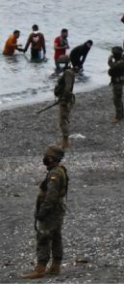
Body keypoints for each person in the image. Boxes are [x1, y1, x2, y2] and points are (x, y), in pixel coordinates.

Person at [20, 145, 69, 279]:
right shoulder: (60, 171)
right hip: (58, 210)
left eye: (47, 156)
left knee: (43, 238)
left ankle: (40, 269)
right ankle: (55, 267)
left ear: (53, 158)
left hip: (52, 212)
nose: (45, 158)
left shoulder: (54, 174)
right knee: (56, 237)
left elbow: (51, 196)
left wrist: (42, 212)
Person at [54, 55, 75, 148]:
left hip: (65, 100)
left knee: (63, 120)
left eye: (62, 64)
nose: (60, 66)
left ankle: (65, 142)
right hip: (64, 98)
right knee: (63, 119)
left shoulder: (68, 73)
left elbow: (67, 87)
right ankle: (64, 140)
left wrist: (64, 99)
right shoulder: (68, 72)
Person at [108, 46, 124, 122]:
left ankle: (118, 116)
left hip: (118, 83)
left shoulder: (120, 62)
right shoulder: (121, 60)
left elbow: (112, 65)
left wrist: (109, 59)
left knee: (117, 99)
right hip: (117, 82)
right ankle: (121, 114)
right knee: (117, 99)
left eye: (114, 53)